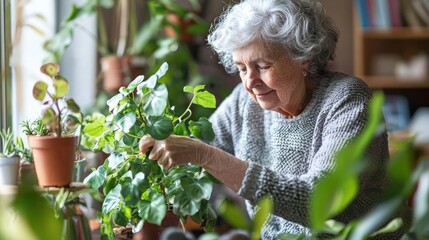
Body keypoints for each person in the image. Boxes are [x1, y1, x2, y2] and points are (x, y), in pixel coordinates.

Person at [139, 0, 401, 238]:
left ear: (304, 59)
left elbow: (319, 202)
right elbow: (195, 151)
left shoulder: (347, 100)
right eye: (241, 68)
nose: (250, 82)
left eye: (262, 66)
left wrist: (204, 154)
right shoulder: (244, 103)